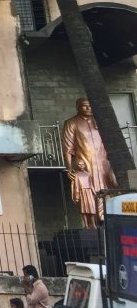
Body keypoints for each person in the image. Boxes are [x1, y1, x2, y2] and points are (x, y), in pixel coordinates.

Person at [62, 98, 118, 228]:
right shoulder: (71, 123)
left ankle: (107, 219)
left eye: (90, 106)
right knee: (88, 193)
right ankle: (92, 223)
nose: (88, 108)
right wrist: (69, 168)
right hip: (85, 164)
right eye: (84, 106)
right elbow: (67, 149)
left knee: (107, 189)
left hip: (103, 163)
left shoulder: (100, 122)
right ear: (78, 107)